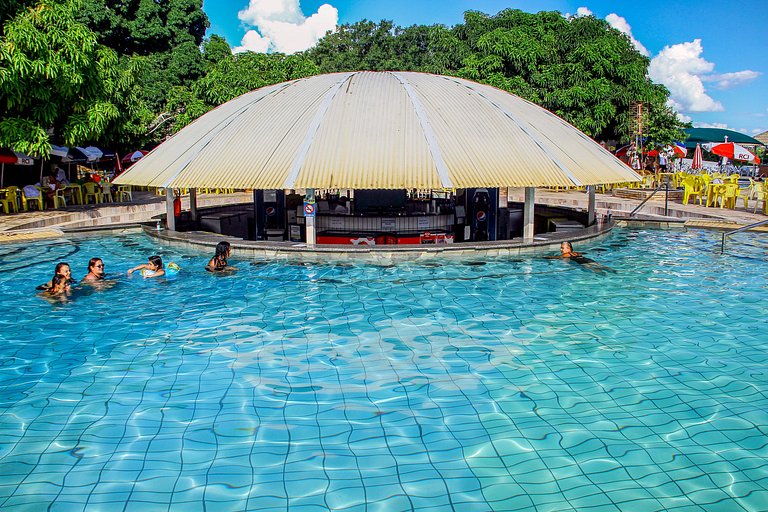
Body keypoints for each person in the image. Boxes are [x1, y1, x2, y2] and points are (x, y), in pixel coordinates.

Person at [547, 241, 614, 273]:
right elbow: (584, 253)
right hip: (586, 259)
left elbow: (556, 257)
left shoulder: (565, 255)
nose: (561, 250)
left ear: (568, 248)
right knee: (600, 265)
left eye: (562, 248)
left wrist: (546, 257)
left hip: (581, 262)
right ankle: (612, 271)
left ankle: (603, 275)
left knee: (592, 269)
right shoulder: (576, 253)